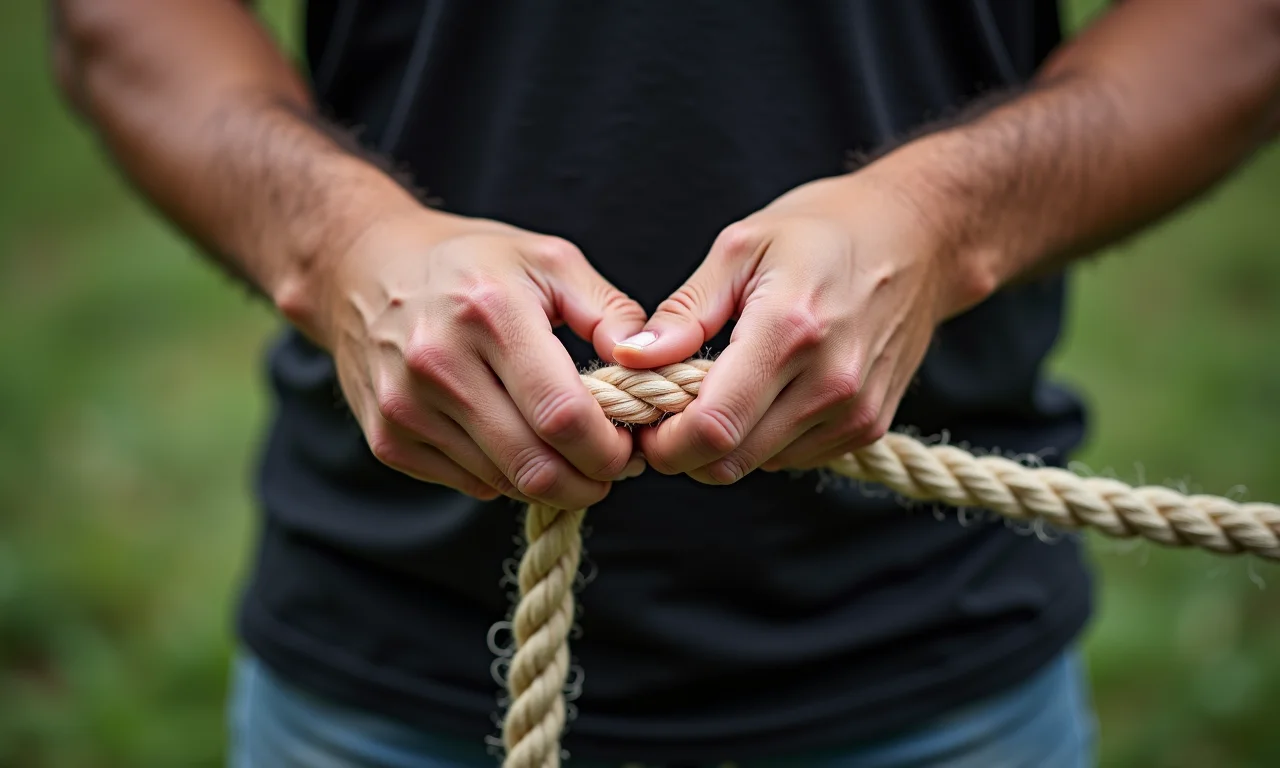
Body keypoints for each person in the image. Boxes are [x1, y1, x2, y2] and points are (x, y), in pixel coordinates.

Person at [50, 0, 1280, 766]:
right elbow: (123, 18)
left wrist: (943, 219)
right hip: (376, 672)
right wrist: (335, 244)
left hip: (937, 674)